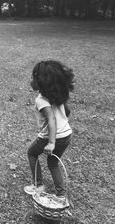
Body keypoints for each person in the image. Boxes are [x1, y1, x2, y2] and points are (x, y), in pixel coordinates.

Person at [24, 60, 74, 205]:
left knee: (32, 153)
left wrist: (51, 142)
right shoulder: (57, 96)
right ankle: (61, 195)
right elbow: (67, 112)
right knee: (53, 163)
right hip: (66, 135)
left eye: (33, 78)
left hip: (52, 137)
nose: (31, 80)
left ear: (41, 82)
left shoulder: (41, 100)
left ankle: (38, 185)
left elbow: (52, 120)